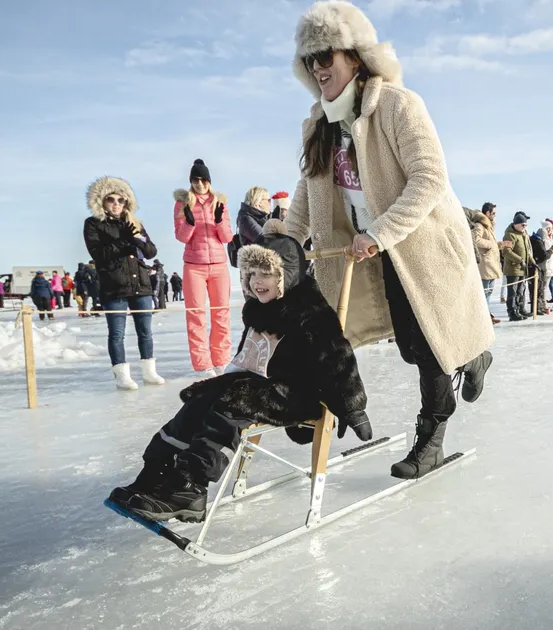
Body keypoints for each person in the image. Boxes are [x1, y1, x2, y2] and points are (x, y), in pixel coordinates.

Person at [283, 1, 494, 479]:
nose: (318, 68)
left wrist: (379, 232)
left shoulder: (399, 105)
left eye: (327, 56)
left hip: (424, 246)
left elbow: (429, 179)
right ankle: (474, 351)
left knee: (430, 344)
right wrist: (284, 239)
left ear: (354, 57)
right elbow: (307, 190)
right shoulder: (320, 125)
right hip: (377, 256)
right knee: (412, 345)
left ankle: (432, 436)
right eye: (310, 60)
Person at [107, 226, 372, 522]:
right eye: (251, 274)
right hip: (261, 384)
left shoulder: (311, 312)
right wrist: (213, 386)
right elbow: (249, 357)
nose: (257, 283)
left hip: (297, 392)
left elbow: (339, 359)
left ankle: (190, 487)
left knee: (233, 402)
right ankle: (156, 472)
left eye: (265, 274)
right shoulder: (258, 308)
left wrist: (354, 408)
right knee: (199, 400)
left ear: (286, 274)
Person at [84, 176, 164, 390]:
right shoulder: (93, 224)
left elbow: (150, 251)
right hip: (114, 286)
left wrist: (135, 238)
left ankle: (149, 371)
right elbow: (98, 253)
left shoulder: (135, 223)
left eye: (121, 199)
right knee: (117, 333)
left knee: (145, 331)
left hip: (140, 284)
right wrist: (124, 241)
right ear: (102, 201)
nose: (117, 204)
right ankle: (122, 374)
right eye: (112, 199)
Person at [174, 158, 234, 377]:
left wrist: (219, 219)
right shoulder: (183, 203)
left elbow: (227, 237)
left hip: (219, 266)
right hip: (194, 266)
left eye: (203, 179)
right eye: (195, 180)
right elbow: (181, 237)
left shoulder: (219, 202)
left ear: (209, 181)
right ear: (191, 181)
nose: (200, 184)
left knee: (221, 314)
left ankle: (221, 360)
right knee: (196, 315)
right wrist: (189, 222)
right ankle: (202, 364)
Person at [468, 202, 504, 324]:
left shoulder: (488, 226)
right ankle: (482, 320)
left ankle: (486, 316)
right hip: (485, 265)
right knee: (484, 294)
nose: (495, 216)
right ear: (487, 213)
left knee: (488, 293)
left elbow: (490, 244)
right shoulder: (480, 225)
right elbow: (475, 240)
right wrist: (492, 244)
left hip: (490, 264)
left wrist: (499, 245)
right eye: (493, 213)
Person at [502, 212, 534, 320]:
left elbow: (527, 252)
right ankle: (512, 312)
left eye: (526, 225)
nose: (525, 227)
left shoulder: (523, 234)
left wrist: (532, 262)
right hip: (513, 268)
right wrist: (520, 260)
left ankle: (521, 308)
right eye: (523, 225)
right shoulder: (510, 235)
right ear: (516, 224)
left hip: (522, 268)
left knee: (521, 290)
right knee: (513, 291)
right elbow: (506, 251)